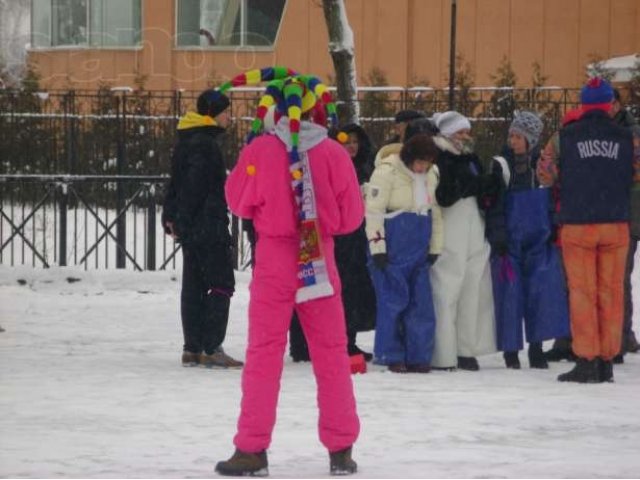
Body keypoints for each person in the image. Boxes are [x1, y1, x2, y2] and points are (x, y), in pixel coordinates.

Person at [216, 76, 363, 476]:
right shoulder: (335, 154)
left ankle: (252, 449)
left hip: (275, 258)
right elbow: (351, 218)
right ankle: (341, 448)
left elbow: (237, 201)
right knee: (331, 353)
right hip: (319, 257)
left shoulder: (261, 149)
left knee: (263, 353)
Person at [537, 77, 635, 383]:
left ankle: (587, 358)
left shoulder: (564, 137)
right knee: (612, 291)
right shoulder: (628, 137)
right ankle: (607, 357)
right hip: (616, 223)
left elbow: (545, 175)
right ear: (609, 104)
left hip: (578, 224)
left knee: (582, 293)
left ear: (582, 104)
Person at [161, 89, 243, 369]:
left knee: (194, 286)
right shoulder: (206, 144)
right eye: (226, 111)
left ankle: (192, 348)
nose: (229, 117)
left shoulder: (187, 139)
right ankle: (211, 347)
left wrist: (171, 215)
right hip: (208, 225)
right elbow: (193, 185)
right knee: (222, 284)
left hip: (192, 227)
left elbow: (175, 182)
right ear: (213, 113)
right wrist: (183, 216)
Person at [486, 111, 570, 369]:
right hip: (509, 240)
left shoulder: (543, 165)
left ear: (531, 140)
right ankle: (510, 350)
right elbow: (494, 205)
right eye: (511, 135)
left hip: (539, 238)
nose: (513, 140)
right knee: (509, 294)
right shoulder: (500, 165)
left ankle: (537, 347)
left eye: (519, 136)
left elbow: (554, 198)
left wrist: (555, 227)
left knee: (541, 292)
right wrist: (498, 235)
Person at [366, 123, 442, 373]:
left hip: (419, 246)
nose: (423, 168)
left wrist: (435, 247)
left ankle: (419, 356)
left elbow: (435, 213)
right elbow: (374, 211)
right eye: (420, 162)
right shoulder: (386, 173)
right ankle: (391, 354)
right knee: (393, 302)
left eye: (427, 163)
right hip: (393, 247)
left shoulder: (431, 175)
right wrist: (378, 248)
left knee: (421, 305)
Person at [429, 111, 500, 371]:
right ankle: (443, 351)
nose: (464, 136)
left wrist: (486, 187)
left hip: (473, 224)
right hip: (450, 225)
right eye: (459, 132)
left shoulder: (470, 158)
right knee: (447, 283)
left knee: (473, 283)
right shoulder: (440, 157)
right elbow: (443, 195)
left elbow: (479, 189)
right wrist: (465, 183)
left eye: (466, 131)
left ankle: (465, 348)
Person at [612, 88, 640, 359]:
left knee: (619, 277)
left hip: (627, 214)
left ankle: (623, 334)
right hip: (612, 211)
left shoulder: (630, 133)